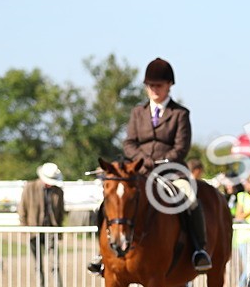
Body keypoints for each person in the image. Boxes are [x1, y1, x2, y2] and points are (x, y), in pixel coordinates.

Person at [88, 57, 212, 275]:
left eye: (159, 85)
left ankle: (199, 250)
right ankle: (102, 254)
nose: (154, 90)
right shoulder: (138, 112)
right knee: (109, 202)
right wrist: (142, 162)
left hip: (170, 171)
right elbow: (129, 143)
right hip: (139, 171)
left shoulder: (180, 114)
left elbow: (181, 147)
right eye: (150, 86)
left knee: (190, 198)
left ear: (169, 86)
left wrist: (160, 162)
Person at [19, 162, 68, 287]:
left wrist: (58, 231)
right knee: (37, 265)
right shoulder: (30, 188)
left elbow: (60, 212)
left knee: (55, 264)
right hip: (34, 231)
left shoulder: (58, 191)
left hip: (51, 231)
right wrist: (26, 228)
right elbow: (22, 209)